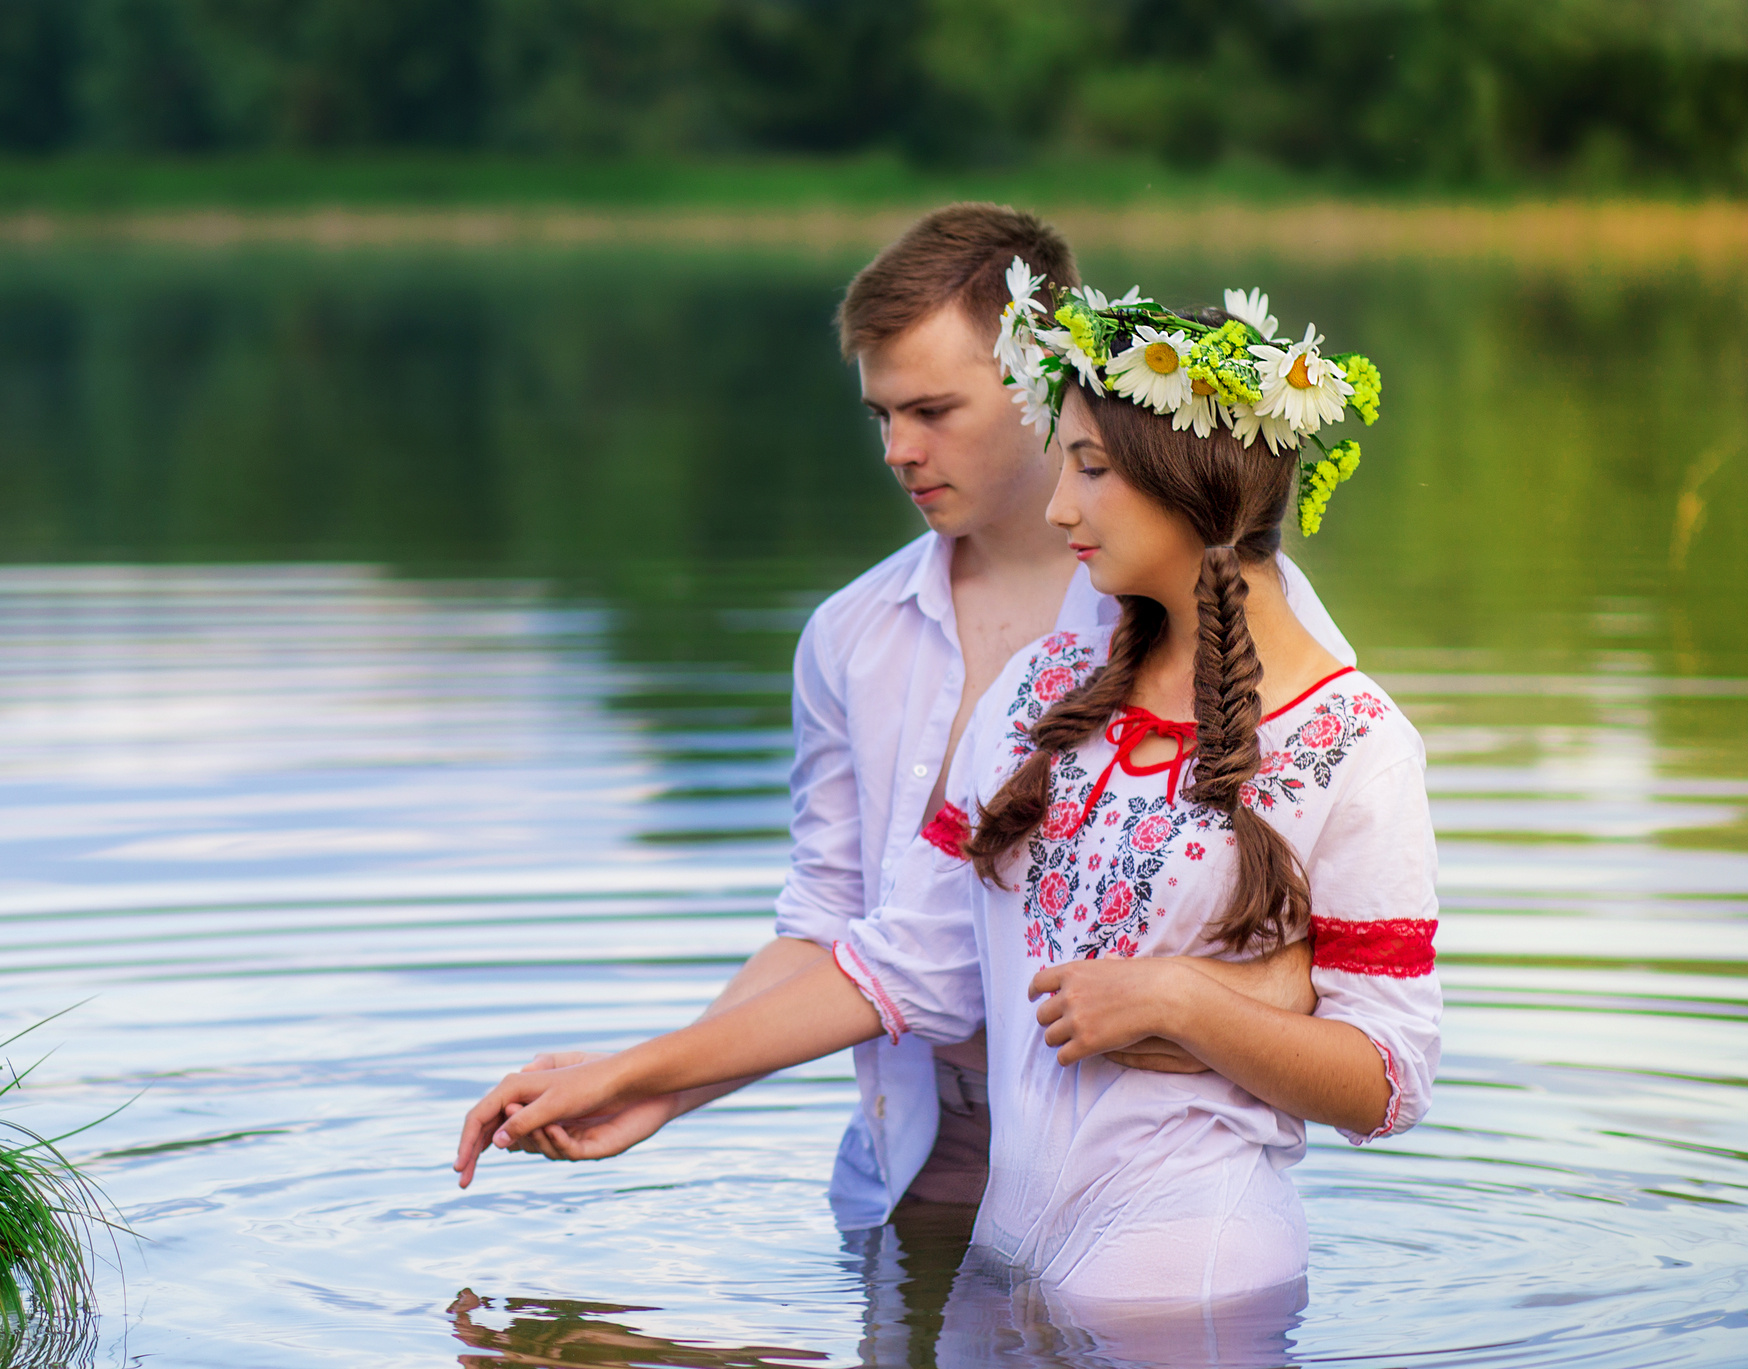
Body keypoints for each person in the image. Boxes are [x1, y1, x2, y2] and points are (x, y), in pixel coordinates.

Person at [457, 270, 1441, 1305]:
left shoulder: (1356, 746)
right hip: (1005, 1249)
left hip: (1184, 1264)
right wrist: (640, 1076)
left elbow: (1387, 1079)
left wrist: (1183, 999)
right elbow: (902, 961)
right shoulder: (1039, 695)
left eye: (1091, 469)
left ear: (1188, 475)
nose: (1059, 506)